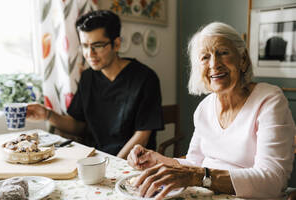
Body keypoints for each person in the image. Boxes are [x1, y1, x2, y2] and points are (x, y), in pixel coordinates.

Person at [127, 22, 296, 200]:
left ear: (243, 59)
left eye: (223, 52)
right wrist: (158, 160)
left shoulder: (269, 99)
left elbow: (272, 181)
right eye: (205, 57)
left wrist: (197, 176)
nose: (214, 64)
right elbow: (194, 163)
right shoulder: (204, 108)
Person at [26, 10, 164, 158]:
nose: (89, 54)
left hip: (133, 163)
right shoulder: (87, 77)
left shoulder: (145, 78)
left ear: (116, 44)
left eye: (97, 45)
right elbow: (77, 125)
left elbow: (142, 136)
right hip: (95, 160)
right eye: (84, 46)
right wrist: (47, 114)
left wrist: (113, 165)